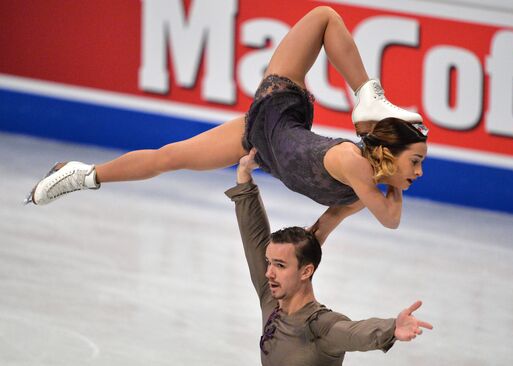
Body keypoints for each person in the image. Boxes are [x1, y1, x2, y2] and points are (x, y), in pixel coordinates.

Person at [26, 6, 428, 239]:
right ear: (388, 154)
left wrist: (298, 286)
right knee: (324, 16)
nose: (419, 171)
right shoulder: (356, 167)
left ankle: (83, 175)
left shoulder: (361, 191)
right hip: (279, 109)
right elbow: (391, 220)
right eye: (415, 161)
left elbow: (322, 229)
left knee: (170, 157)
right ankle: (368, 98)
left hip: (263, 142)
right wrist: (390, 175)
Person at [226, 149, 433, 365]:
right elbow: (254, 239)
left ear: (306, 271)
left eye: (279, 265)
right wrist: (244, 177)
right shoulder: (272, 298)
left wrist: (391, 328)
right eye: (270, 263)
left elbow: (353, 333)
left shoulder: (320, 326)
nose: (268, 272)